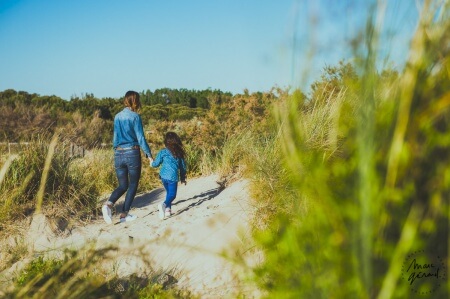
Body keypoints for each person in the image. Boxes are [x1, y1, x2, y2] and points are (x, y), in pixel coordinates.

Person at [101, 90, 153, 224]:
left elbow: (115, 137)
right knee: (133, 184)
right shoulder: (135, 117)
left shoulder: (117, 116)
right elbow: (140, 138)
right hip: (132, 152)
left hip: (118, 153)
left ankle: (108, 205)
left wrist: (116, 151)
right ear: (135, 101)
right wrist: (149, 154)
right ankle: (124, 214)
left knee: (122, 185)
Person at [150, 131, 187, 219]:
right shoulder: (179, 153)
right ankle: (164, 205)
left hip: (163, 176)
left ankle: (167, 210)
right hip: (172, 177)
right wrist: (182, 178)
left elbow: (156, 164)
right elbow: (182, 168)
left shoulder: (163, 152)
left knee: (169, 193)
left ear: (166, 142)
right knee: (172, 195)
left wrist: (151, 162)